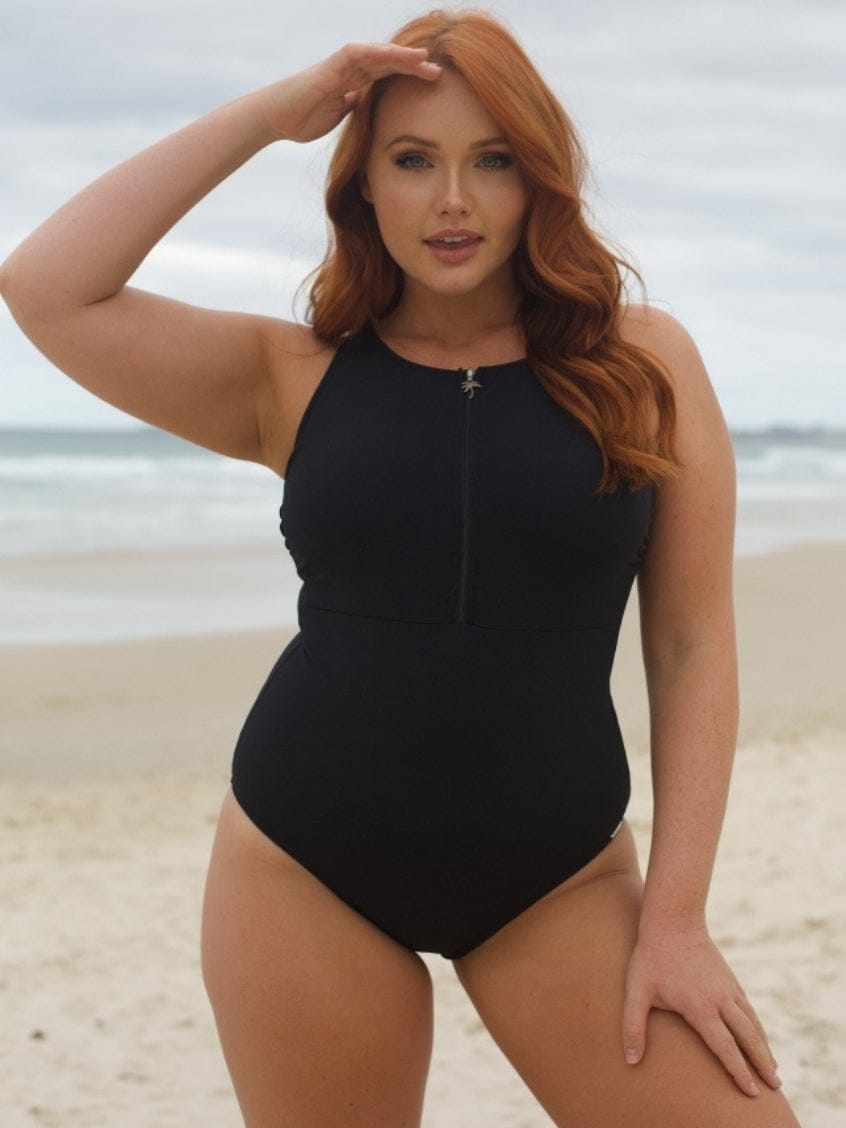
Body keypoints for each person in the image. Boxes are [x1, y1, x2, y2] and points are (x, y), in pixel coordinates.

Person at [0, 9, 801, 1127]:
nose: (455, 202)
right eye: (413, 161)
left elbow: (691, 640)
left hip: (560, 876)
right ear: (363, 185)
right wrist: (272, 116)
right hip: (305, 866)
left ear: (539, 181)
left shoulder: (641, 360)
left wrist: (677, 921)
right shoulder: (290, 374)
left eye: (494, 162)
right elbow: (46, 285)